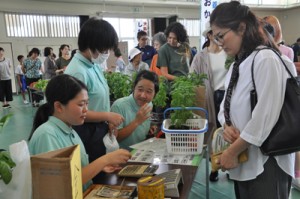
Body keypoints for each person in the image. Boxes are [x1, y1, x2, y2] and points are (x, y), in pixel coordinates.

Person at [211, 2, 296, 198]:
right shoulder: (238, 65)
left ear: (241, 27)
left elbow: (265, 117)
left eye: (221, 35)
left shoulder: (265, 59)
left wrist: (232, 151)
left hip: (267, 162)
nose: (219, 42)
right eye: (216, 37)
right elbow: (225, 107)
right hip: (245, 159)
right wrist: (227, 126)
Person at [28, 74, 131, 192]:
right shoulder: (47, 135)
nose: (86, 109)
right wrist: (105, 160)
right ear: (59, 106)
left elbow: (76, 171)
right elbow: (61, 184)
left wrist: (100, 167)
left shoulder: (71, 131)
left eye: (87, 103)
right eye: (81, 104)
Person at [64, 17, 125, 183]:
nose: (107, 53)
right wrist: (107, 116)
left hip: (98, 129)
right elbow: (74, 113)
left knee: (104, 172)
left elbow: (100, 99)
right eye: (104, 48)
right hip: (85, 132)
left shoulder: (93, 65)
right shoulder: (77, 71)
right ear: (91, 44)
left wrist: (108, 120)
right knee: (95, 175)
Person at [191, 22, 228, 182]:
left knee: (227, 133)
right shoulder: (201, 56)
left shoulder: (229, 53)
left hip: (227, 97)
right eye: (215, 34)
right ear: (209, 36)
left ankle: (229, 166)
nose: (219, 37)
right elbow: (192, 78)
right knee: (213, 134)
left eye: (221, 34)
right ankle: (214, 167)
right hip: (210, 98)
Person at [111, 70, 159, 150]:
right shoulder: (119, 106)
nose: (143, 95)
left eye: (149, 92)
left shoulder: (149, 104)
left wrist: (149, 129)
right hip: (122, 156)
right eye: (140, 90)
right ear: (134, 88)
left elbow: (141, 128)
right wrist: (137, 121)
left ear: (155, 94)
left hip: (141, 151)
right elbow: (115, 138)